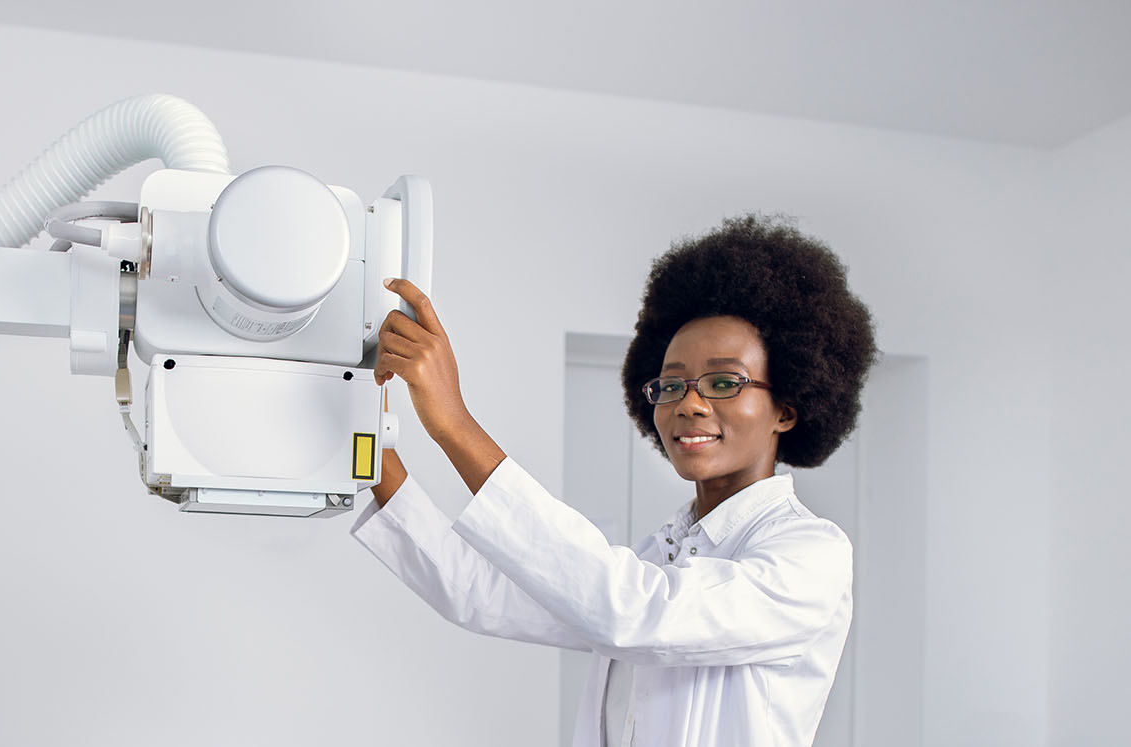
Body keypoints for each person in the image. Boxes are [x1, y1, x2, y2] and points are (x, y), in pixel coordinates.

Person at [352, 214, 879, 747]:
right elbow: (479, 593)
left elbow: (631, 611)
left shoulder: (810, 556)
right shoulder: (661, 556)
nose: (690, 404)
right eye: (671, 385)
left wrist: (455, 425)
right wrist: (368, 439)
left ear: (787, 408)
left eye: (724, 382)